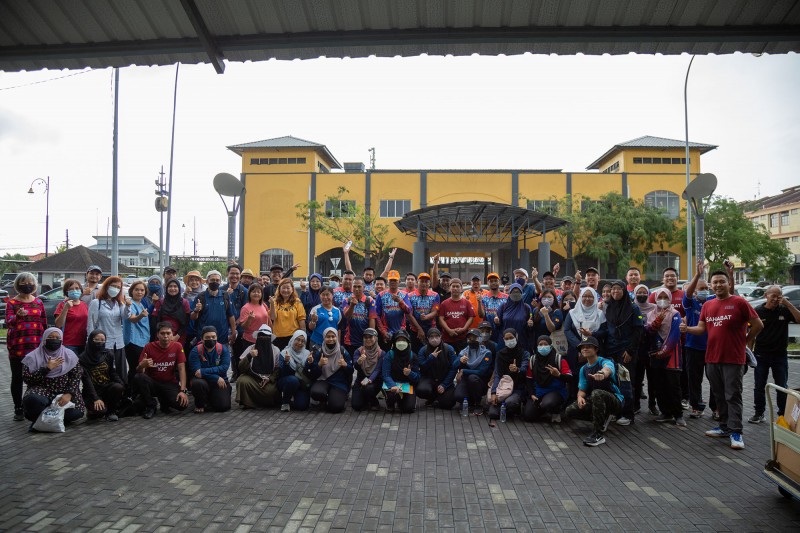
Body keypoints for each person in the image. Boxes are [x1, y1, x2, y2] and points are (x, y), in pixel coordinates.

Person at [680, 269, 763, 450]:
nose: (718, 285)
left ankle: (736, 432)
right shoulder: (709, 305)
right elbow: (702, 328)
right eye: (715, 282)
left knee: (733, 395)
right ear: (711, 285)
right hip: (712, 357)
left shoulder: (739, 302)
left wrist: (746, 342)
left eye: (721, 282)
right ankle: (724, 427)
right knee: (719, 395)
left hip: (733, 358)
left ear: (728, 284)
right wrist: (687, 329)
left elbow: (758, 324)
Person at [750, 285, 800, 423]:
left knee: (782, 386)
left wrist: (788, 304)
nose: (776, 299)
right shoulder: (758, 311)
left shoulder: (784, 310)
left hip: (780, 355)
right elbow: (751, 335)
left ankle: (782, 415)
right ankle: (759, 413)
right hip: (761, 354)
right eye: (773, 296)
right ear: (766, 295)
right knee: (759, 386)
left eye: (779, 296)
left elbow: (799, 319)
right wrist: (749, 353)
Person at [565, 336, 624, 447]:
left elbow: (608, 369)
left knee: (597, 393)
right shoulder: (584, 369)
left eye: (589, 347)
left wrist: (602, 374)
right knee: (569, 410)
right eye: (583, 348)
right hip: (597, 401)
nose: (585, 349)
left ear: (596, 349)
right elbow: (581, 390)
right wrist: (580, 397)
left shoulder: (604, 361)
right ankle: (602, 417)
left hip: (615, 401)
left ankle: (598, 434)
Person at [21, 328, 85, 426]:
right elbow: (27, 379)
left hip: (63, 391)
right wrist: (46, 369)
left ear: (62, 340)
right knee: (32, 400)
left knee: (77, 412)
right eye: (50, 337)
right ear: (44, 339)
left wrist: (69, 393)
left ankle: (48, 418)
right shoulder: (32, 356)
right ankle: (46, 418)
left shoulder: (69, 355)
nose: (54, 340)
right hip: (42, 390)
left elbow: (75, 377)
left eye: (57, 338)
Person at [6, 272, 47, 421]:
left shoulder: (38, 302)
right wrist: (18, 316)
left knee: (35, 378)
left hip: (35, 347)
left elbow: (43, 323)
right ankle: (18, 407)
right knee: (17, 378)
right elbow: (8, 322)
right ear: (18, 285)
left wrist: (45, 342)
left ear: (34, 285)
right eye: (23, 283)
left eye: (30, 282)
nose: (27, 285)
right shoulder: (12, 303)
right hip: (18, 347)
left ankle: (33, 405)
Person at [603, 280, 643, 425]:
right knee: (613, 383)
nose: (615, 292)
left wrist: (630, 351)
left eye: (618, 289)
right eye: (612, 289)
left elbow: (638, 331)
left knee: (626, 382)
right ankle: (616, 411)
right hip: (611, 351)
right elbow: (607, 329)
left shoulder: (633, 308)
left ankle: (628, 414)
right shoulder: (609, 308)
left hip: (626, 352)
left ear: (624, 290)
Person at [646, 288, 686, 427]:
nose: (662, 299)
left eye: (665, 297)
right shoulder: (651, 314)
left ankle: (678, 414)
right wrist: (658, 320)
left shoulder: (675, 314)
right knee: (659, 385)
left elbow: (675, 334)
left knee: (673, 385)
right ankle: (665, 412)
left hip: (671, 355)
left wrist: (664, 351)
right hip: (655, 355)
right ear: (655, 299)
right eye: (660, 297)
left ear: (670, 299)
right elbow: (649, 331)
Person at [682, 261, 716, 419]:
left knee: (715, 379)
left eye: (706, 288)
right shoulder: (690, 303)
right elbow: (687, 294)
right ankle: (697, 406)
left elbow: (729, 290)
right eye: (701, 289)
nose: (704, 291)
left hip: (712, 347)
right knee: (694, 379)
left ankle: (716, 408)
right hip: (693, 346)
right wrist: (697, 275)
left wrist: (730, 275)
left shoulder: (713, 301)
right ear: (695, 292)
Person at [135, 322, 189, 419]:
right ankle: (151, 405)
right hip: (153, 383)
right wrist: (142, 366)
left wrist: (183, 391)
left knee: (182, 405)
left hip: (169, 383)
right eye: (162, 333)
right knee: (139, 377)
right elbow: (139, 371)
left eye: (168, 333)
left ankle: (164, 401)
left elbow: (181, 369)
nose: (165, 336)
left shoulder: (178, 346)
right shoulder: (149, 347)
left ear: (172, 334)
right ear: (157, 335)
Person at [564, 287, 608, 402]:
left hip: (595, 351)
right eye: (584, 296)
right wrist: (581, 347)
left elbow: (604, 331)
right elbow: (567, 330)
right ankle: (575, 400)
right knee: (575, 376)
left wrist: (592, 334)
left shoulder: (600, 314)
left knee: (593, 375)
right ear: (580, 297)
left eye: (590, 296)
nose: (587, 299)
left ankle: (592, 402)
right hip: (575, 351)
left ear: (594, 298)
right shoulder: (573, 313)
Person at [87, 276, 128, 384]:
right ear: (106, 286)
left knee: (120, 371)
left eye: (118, 287)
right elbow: (91, 324)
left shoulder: (119, 303)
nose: (115, 289)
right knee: (104, 371)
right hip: (102, 343)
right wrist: (90, 342)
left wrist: (128, 306)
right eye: (113, 286)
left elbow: (126, 316)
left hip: (118, 343)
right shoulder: (97, 303)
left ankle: (122, 394)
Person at [523, 335, 572, 423]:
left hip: (556, 391)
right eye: (540, 344)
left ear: (550, 346)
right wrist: (532, 394)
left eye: (545, 344)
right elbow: (529, 379)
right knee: (528, 415)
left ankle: (555, 411)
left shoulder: (559, 359)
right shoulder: (533, 359)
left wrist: (559, 375)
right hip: (539, 392)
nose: (543, 347)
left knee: (548, 403)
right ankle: (543, 409)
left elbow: (570, 378)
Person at [79, 329, 125, 421]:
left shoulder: (108, 354)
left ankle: (111, 411)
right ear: (90, 340)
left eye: (102, 340)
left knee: (118, 387)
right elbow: (86, 381)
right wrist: (95, 398)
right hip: (91, 391)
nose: (100, 342)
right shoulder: (83, 358)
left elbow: (112, 372)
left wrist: (122, 385)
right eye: (96, 340)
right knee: (100, 412)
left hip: (106, 387)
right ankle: (92, 410)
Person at [488, 328, 530, 424]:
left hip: (517, 387)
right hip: (502, 387)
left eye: (511, 338)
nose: (509, 340)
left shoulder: (524, 353)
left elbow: (524, 369)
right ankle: (501, 406)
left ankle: (511, 406)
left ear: (516, 337)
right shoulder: (500, 354)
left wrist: (517, 369)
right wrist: (494, 392)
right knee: (492, 414)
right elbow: (498, 374)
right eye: (506, 339)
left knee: (510, 403)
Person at [307, 328, 353, 413]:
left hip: (339, 383)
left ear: (336, 337)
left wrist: (345, 365)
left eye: (333, 336)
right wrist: (319, 365)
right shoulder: (319, 352)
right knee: (316, 392)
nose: (331, 339)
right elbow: (312, 374)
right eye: (328, 337)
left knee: (336, 407)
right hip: (323, 380)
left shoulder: (343, 351)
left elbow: (351, 371)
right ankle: (324, 400)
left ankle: (335, 398)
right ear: (324, 338)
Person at [187, 325, 232, 413]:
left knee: (223, 407)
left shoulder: (223, 349)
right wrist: (215, 377)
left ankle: (211, 398)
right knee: (197, 383)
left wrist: (203, 371)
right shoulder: (195, 351)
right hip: (204, 381)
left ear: (217, 337)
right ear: (202, 339)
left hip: (220, 382)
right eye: (207, 337)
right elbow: (196, 372)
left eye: (213, 337)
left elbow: (224, 368)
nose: (211, 339)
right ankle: (200, 403)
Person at [235, 325, 281, 409]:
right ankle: (248, 403)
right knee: (241, 381)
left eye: (266, 337)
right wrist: (249, 356)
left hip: (268, 379)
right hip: (253, 377)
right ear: (257, 337)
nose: (263, 338)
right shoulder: (251, 348)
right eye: (261, 336)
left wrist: (269, 379)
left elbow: (277, 369)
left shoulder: (276, 350)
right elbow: (241, 367)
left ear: (270, 338)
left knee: (271, 391)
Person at [376, 270, 423, 350]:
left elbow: (409, 311)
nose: (393, 282)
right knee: (387, 355)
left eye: (395, 280)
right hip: (386, 332)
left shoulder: (404, 295)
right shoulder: (381, 295)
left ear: (399, 281)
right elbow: (377, 315)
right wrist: (383, 331)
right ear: (388, 281)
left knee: (401, 355)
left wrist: (400, 302)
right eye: (391, 280)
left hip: (401, 332)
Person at [189, 270, 237, 348]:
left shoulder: (225, 296)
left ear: (220, 282)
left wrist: (233, 332)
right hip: (204, 340)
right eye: (212, 280)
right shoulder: (200, 297)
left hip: (222, 339)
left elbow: (231, 316)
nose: (215, 282)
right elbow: (192, 317)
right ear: (207, 281)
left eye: (217, 280)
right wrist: (196, 310)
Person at [452, 329, 493, 415]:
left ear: (480, 339)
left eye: (474, 338)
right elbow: (454, 365)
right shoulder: (464, 351)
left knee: (472, 378)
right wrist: (460, 360)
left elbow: (481, 372)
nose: (472, 341)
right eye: (469, 339)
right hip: (466, 380)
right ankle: (469, 402)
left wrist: (463, 370)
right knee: (458, 396)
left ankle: (478, 404)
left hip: (480, 382)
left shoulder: (486, 353)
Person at [235, 283, 271, 381]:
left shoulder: (263, 305)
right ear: (249, 293)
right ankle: (249, 382)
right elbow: (244, 327)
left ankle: (262, 381)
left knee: (261, 363)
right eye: (254, 291)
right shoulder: (246, 308)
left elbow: (268, 320)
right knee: (250, 364)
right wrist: (250, 318)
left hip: (264, 339)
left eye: (258, 292)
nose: (256, 294)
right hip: (250, 340)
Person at [415, 327, 457, 409]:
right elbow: (422, 368)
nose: (434, 339)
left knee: (449, 403)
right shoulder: (423, 350)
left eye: (437, 337)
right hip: (429, 379)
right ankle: (432, 397)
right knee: (421, 390)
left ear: (441, 337)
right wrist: (430, 359)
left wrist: (444, 384)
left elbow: (454, 368)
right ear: (427, 338)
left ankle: (439, 398)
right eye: (431, 337)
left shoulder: (449, 349)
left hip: (444, 379)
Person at [632, 284, 658, 416]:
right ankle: (636, 404)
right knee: (637, 379)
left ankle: (652, 405)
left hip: (651, 347)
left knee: (653, 379)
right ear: (635, 293)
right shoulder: (632, 307)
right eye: (639, 292)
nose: (642, 295)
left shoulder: (654, 307)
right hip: (637, 348)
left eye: (644, 292)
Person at [381, 330, 420, 414]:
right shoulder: (390, 354)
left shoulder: (413, 356)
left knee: (409, 408)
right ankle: (390, 403)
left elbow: (417, 377)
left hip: (407, 385)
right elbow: (385, 374)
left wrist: (410, 373)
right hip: (393, 384)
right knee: (392, 396)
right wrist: (393, 385)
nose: (401, 343)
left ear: (408, 342)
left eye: (403, 340)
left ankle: (401, 401)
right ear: (394, 343)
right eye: (398, 340)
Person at [124, 280, 150, 390]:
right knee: (135, 368)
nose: (139, 292)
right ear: (131, 291)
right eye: (137, 290)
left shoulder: (141, 304)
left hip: (142, 340)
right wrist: (141, 316)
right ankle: (130, 393)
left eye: (142, 290)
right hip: (133, 341)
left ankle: (137, 392)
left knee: (140, 368)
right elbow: (132, 319)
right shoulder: (131, 304)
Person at [494, 283, 534, 357]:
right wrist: (496, 322)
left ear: (522, 293)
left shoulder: (526, 307)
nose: (516, 294)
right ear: (509, 293)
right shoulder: (503, 307)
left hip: (522, 342)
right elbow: (498, 326)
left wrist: (530, 325)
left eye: (518, 292)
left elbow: (530, 327)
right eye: (513, 292)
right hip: (506, 342)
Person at [277, 330, 312, 411]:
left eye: (303, 341)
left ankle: (296, 397)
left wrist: (310, 363)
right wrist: (286, 362)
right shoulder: (284, 353)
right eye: (298, 339)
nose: (300, 343)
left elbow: (309, 373)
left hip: (301, 383)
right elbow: (283, 373)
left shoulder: (307, 354)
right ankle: (285, 401)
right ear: (293, 339)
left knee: (302, 406)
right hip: (287, 381)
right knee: (293, 380)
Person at [438, 278, 476, 353]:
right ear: (450, 288)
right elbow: (440, 318)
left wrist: (464, 329)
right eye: (453, 286)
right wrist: (449, 330)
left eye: (457, 286)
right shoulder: (444, 304)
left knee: (462, 359)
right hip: (447, 339)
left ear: (461, 289)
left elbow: (471, 317)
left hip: (462, 338)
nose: (455, 288)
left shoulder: (466, 303)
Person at [351, 328, 385, 411]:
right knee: (356, 405)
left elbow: (378, 369)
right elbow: (356, 367)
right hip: (360, 380)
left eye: (370, 337)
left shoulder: (381, 353)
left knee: (368, 388)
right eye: (365, 337)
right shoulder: (358, 351)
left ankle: (374, 402)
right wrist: (358, 362)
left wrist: (369, 380)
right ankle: (366, 398)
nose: (368, 339)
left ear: (376, 338)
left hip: (375, 381)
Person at [269, 278, 307, 350]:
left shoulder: (297, 301)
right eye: (283, 288)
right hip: (278, 336)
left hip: (293, 336)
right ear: (279, 289)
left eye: (288, 288)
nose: (286, 290)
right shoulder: (275, 301)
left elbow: (301, 319)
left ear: (292, 289)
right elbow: (273, 317)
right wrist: (272, 304)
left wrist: (303, 336)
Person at [342, 279, 377, 357]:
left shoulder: (370, 301)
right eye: (354, 286)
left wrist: (372, 337)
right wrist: (352, 306)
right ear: (352, 287)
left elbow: (372, 319)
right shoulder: (346, 300)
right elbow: (346, 317)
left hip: (365, 340)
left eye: (359, 286)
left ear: (364, 287)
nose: (357, 289)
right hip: (350, 340)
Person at [406, 272, 440, 350]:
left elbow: (435, 311)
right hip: (415, 329)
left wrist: (427, 317)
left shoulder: (435, 295)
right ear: (417, 282)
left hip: (431, 329)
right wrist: (419, 329)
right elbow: (409, 315)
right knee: (415, 352)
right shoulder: (410, 296)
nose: (424, 283)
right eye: (422, 281)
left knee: (432, 351)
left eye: (426, 281)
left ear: (429, 283)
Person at [54, 279, 89, 353]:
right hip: (68, 344)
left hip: (83, 343)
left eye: (77, 288)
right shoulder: (62, 305)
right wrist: (65, 309)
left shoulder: (84, 305)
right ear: (66, 291)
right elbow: (58, 324)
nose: (75, 291)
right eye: (71, 289)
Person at [151, 279, 191, 345]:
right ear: (166, 288)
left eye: (175, 286)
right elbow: (154, 321)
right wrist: (160, 335)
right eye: (170, 286)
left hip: (178, 337)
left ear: (179, 288)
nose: (173, 288)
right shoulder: (161, 302)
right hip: (161, 337)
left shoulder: (184, 303)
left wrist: (177, 336)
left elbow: (186, 321)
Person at [481, 273, 508, 342]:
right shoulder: (484, 298)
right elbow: (482, 315)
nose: (493, 283)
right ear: (488, 283)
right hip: (488, 333)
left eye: (495, 281)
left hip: (503, 332)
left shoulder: (506, 298)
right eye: (491, 281)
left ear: (499, 282)